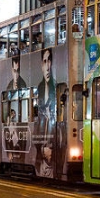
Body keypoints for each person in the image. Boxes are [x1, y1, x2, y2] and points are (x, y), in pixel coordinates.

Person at [35, 48, 58, 178]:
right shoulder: (39, 87)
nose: (48, 66)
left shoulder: (56, 86)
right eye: (45, 61)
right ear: (41, 66)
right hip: (41, 155)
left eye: (50, 61)